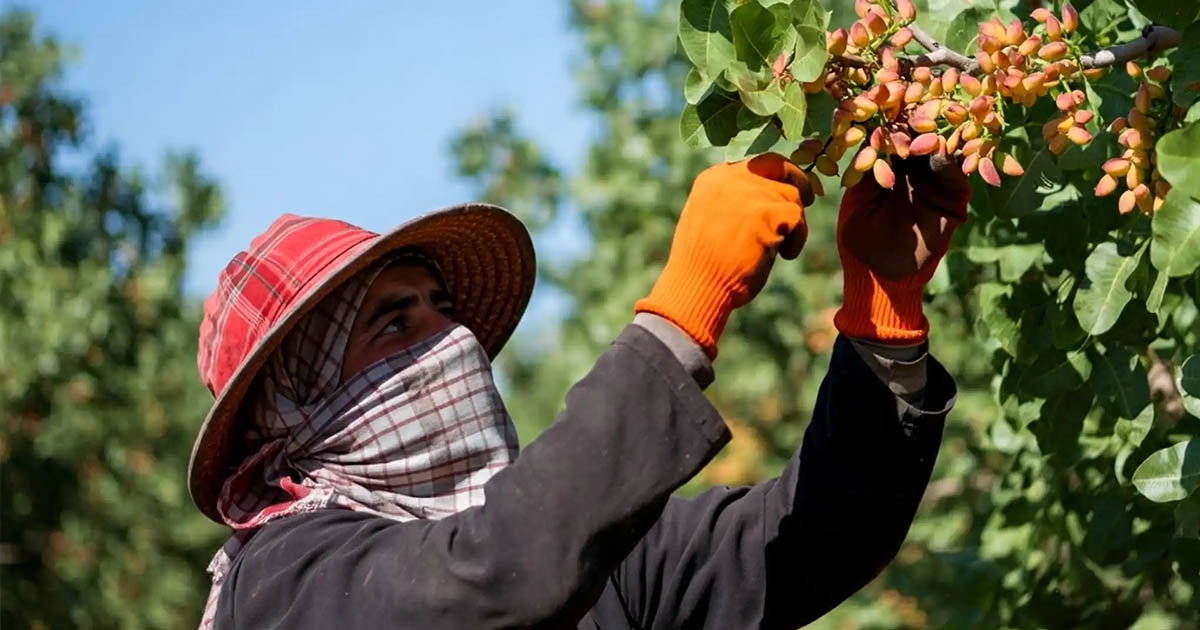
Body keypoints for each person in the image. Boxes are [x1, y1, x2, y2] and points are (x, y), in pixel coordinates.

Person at [189, 153, 969, 629]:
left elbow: (818, 538)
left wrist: (883, 305)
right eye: (396, 324)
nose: (453, 339)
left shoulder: (591, 563)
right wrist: (683, 310)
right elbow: (493, 582)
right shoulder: (282, 586)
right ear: (299, 408)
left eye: (444, 308)